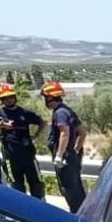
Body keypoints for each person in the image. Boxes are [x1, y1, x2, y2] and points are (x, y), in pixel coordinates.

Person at [41, 81, 87, 212]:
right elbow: (82, 132)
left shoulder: (60, 113)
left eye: (45, 97)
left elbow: (64, 133)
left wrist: (60, 155)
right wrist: (76, 151)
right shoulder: (68, 111)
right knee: (76, 187)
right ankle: (81, 214)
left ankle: (78, 217)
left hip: (65, 157)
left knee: (69, 189)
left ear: (49, 97)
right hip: (71, 156)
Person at [0, 84, 46, 198]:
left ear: (14, 97)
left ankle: (40, 208)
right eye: (5, 98)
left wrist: (36, 135)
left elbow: (42, 122)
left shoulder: (25, 112)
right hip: (10, 156)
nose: (8, 100)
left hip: (28, 154)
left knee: (36, 182)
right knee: (16, 186)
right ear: (2, 100)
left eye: (10, 97)